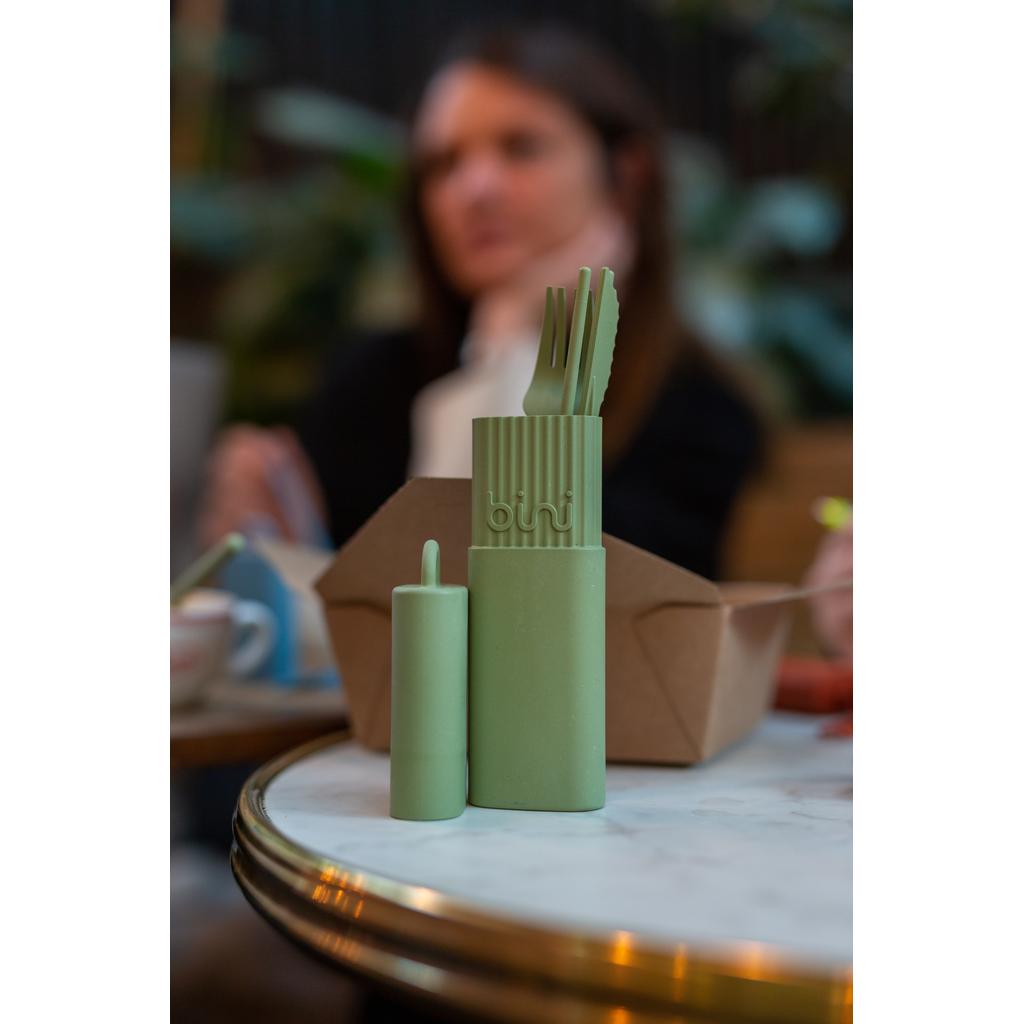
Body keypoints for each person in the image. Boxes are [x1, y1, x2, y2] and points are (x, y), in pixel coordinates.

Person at [200, 25, 763, 580]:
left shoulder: (698, 408)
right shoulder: (374, 381)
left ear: (626, 175)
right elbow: (347, 606)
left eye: (521, 148)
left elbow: (518, 596)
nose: (474, 189)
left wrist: (513, 343)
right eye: (443, 164)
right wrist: (275, 549)